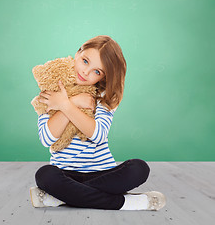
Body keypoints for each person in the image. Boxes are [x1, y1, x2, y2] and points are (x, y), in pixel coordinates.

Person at [30, 35, 166, 210]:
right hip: (65, 175)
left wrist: (65, 106)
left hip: (103, 174)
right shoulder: (51, 91)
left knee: (139, 168)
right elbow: (47, 139)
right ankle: (124, 203)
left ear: (103, 77)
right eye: (85, 61)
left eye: (97, 71)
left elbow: (98, 135)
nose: (86, 72)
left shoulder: (103, 99)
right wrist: (70, 103)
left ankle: (62, 198)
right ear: (77, 53)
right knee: (45, 175)